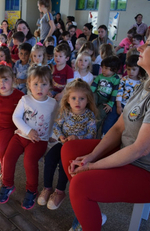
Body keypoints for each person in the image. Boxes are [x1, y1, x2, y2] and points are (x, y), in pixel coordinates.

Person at [61, 26, 150, 231]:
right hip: (132, 154)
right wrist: (91, 157)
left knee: (81, 185)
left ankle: (87, 215)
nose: (141, 46)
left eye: (149, 43)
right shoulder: (148, 83)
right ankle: (91, 214)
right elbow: (119, 128)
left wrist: (90, 167)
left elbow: (141, 149)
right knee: (70, 150)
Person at [0, 65, 58, 210]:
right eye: (35, 84)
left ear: (50, 85)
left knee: (29, 161)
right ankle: (7, 184)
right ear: (29, 84)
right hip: (21, 136)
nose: (39, 88)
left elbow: (56, 121)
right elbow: (16, 117)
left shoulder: (53, 103)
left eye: (44, 84)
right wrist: (28, 130)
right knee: (8, 157)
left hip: (39, 140)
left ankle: (32, 190)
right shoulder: (25, 99)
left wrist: (52, 136)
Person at [38, 79, 98, 210]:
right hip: (63, 144)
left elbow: (92, 134)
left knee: (65, 164)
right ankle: (47, 188)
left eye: (82, 98)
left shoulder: (89, 115)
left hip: (78, 148)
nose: (77, 101)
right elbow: (56, 125)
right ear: (68, 100)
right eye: (74, 98)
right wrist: (60, 136)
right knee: (49, 159)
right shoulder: (65, 111)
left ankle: (59, 191)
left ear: (87, 100)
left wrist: (77, 137)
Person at [91, 56, 120, 135]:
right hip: (97, 96)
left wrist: (110, 104)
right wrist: (89, 94)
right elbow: (93, 86)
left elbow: (115, 92)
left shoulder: (116, 79)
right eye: (102, 68)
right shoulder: (100, 76)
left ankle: (94, 132)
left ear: (114, 69)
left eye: (106, 68)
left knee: (100, 114)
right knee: (92, 95)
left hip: (106, 101)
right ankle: (90, 110)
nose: (103, 70)